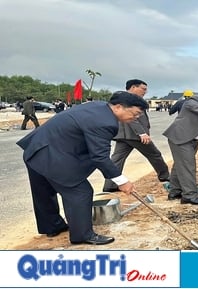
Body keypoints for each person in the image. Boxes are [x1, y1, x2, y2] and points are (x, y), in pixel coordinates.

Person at [16, 91, 147, 245]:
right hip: (52, 155)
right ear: (119, 107)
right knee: (81, 192)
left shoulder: (97, 106)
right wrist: (121, 181)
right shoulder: (106, 122)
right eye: (135, 113)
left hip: (35, 149)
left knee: (44, 191)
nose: (136, 117)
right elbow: (99, 157)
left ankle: (51, 226)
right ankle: (82, 235)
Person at [103, 79, 170, 192]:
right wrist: (141, 133)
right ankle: (165, 176)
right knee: (154, 154)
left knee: (117, 159)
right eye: (143, 89)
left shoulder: (124, 97)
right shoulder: (127, 99)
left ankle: (110, 185)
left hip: (123, 135)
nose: (145, 92)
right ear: (133, 87)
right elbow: (132, 118)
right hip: (134, 135)